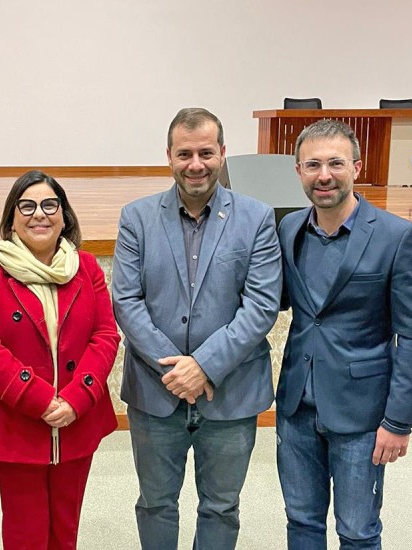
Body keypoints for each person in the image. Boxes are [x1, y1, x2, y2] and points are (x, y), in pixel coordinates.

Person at [112, 107, 282, 550]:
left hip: (231, 390)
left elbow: (261, 305)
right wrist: (177, 368)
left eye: (206, 152)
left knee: (221, 506)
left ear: (223, 153)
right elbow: (127, 301)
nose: (196, 164)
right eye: (184, 153)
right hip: (155, 388)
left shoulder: (258, 217)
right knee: (155, 503)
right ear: (168, 155)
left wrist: (203, 366)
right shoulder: (137, 217)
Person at [276, 119, 412, 549]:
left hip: (363, 416)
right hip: (296, 408)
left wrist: (398, 421)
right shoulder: (288, 229)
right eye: (312, 165)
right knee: (301, 523)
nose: (323, 175)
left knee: (358, 531)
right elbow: (276, 301)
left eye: (335, 163)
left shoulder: (398, 237)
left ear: (357, 167)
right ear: (298, 172)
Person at [0, 170, 120, 550]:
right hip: (17, 419)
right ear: (11, 217)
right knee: (24, 530)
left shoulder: (86, 267)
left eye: (50, 205)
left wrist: (75, 400)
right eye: (27, 206)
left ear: (64, 215)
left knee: (66, 528)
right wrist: (39, 398)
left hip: (76, 418)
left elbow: (105, 336)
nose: (39, 215)